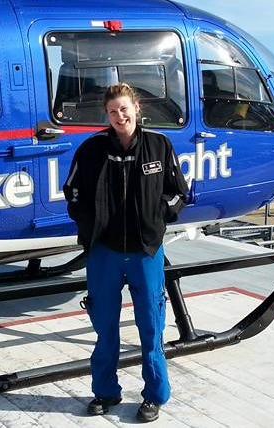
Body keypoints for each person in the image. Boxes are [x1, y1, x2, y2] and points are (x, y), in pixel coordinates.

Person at [63, 83, 189, 422]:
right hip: (104, 252)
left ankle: (154, 395)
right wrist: (90, 224)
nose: (120, 116)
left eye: (124, 109)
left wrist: (158, 218)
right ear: (106, 115)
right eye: (112, 111)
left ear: (136, 108)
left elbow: (180, 193)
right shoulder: (91, 149)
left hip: (146, 252)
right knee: (106, 329)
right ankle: (105, 393)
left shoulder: (158, 146)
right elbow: (72, 192)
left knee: (151, 327)